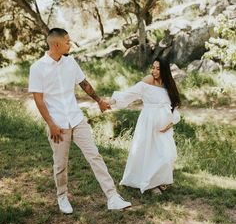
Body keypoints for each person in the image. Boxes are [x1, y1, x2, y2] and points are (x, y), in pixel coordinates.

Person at [28, 28, 131, 214]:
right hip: (57, 124)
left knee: (95, 156)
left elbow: (84, 84)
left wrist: (99, 100)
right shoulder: (37, 68)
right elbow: (39, 100)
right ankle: (62, 197)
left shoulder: (71, 62)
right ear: (57, 44)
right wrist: (51, 124)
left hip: (76, 119)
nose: (71, 44)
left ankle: (112, 197)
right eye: (67, 41)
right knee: (60, 164)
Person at [110, 57, 181, 194]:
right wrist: (111, 101)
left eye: (158, 68)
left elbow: (174, 106)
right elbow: (130, 94)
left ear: (165, 71)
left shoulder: (169, 85)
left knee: (167, 154)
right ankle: (152, 184)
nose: (154, 71)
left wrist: (171, 123)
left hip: (164, 127)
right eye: (153, 67)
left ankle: (159, 180)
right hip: (148, 123)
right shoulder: (148, 80)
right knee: (148, 152)